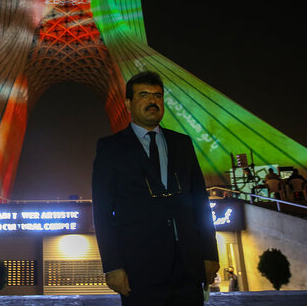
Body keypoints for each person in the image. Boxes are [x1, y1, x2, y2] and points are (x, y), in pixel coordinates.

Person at [92, 71, 219, 305]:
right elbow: (101, 213)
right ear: (128, 103)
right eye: (144, 95)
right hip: (139, 270)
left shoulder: (182, 144)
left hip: (188, 268)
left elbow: (200, 202)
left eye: (157, 96)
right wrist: (113, 266)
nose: (153, 101)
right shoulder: (111, 149)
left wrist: (210, 254)